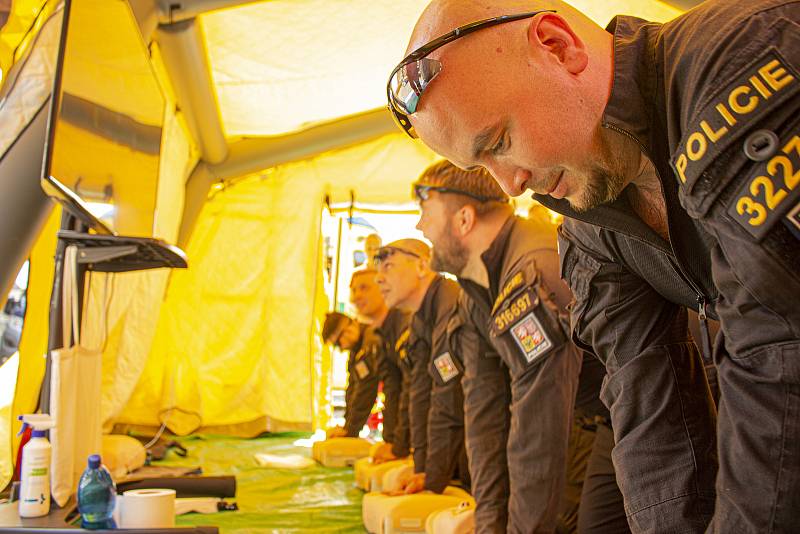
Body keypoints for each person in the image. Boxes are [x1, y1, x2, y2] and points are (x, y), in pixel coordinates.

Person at [388, 1, 800, 532]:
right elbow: (648, 400)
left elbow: (781, 344)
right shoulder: (588, 224)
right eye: (481, 165)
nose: (508, 184)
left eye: (499, 142)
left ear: (560, 47)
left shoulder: (739, 60)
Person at [415, 160, 627, 533]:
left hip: (652, 402)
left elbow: (538, 432)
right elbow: (483, 413)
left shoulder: (533, 276)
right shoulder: (475, 291)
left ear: (464, 219)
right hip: (606, 414)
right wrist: (488, 525)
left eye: (424, 211)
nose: (419, 227)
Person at [374, 239, 469, 494]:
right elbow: (418, 393)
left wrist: (433, 476)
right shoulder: (421, 318)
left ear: (422, 265)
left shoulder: (451, 304)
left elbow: (448, 396)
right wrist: (421, 467)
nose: (378, 279)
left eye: (389, 266)